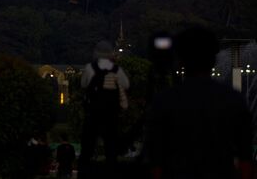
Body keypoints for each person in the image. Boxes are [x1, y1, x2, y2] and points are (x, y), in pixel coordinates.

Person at [147, 27, 253, 179]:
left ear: (180, 59)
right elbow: (245, 159)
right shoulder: (233, 100)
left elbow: (156, 159)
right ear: (214, 60)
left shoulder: (165, 101)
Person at [78, 40, 130, 174]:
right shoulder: (117, 70)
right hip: (111, 115)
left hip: (93, 114)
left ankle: (84, 173)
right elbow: (126, 84)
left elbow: (83, 84)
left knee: (87, 149)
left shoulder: (90, 68)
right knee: (111, 150)